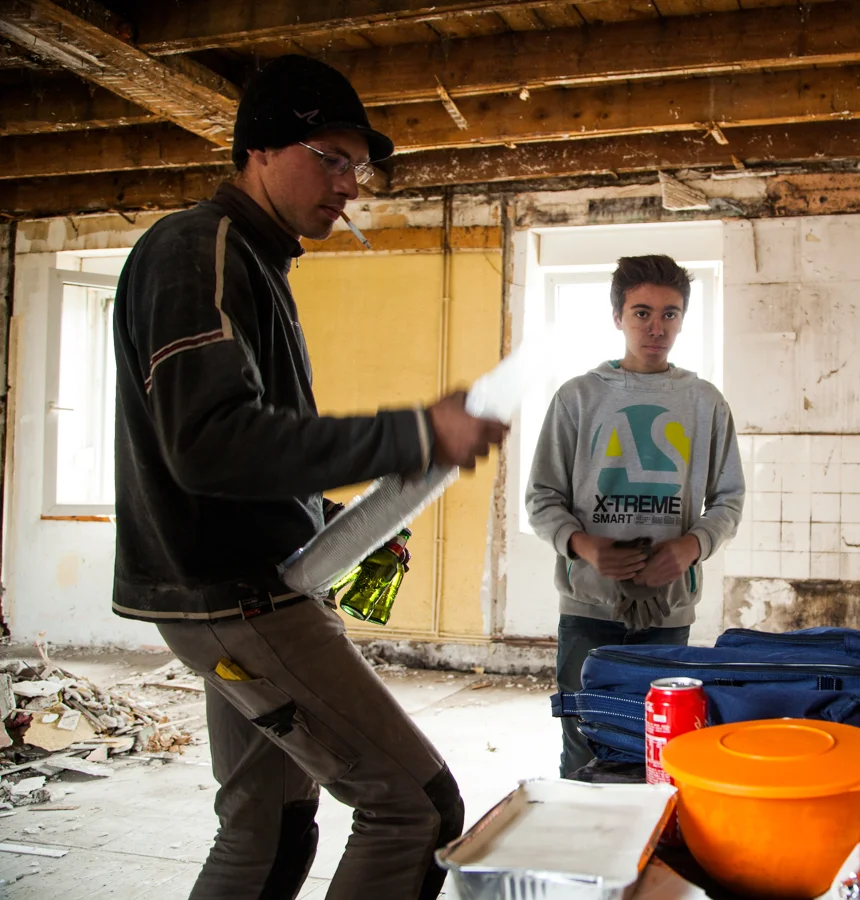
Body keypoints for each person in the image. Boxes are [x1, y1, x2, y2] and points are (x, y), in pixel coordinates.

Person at [111, 55, 505, 900]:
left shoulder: (255, 263)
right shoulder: (198, 249)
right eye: (329, 158)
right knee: (415, 809)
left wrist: (336, 516)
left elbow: (240, 450)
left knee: (269, 827)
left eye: (356, 167)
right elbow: (209, 443)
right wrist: (413, 434)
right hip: (241, 600)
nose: (349, 185)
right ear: (259, 148)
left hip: (243, 586)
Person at [527, 255, 745, 777]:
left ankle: (643, 849)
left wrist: (688, 548)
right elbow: (541, 498)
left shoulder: (703, 402)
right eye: (641, 312)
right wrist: (585, 546)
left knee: (660, 746)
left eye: (670, 314)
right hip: (587, 607)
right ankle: (586, 848)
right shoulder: (578, 397)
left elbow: (728, 501)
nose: (656, 327)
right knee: (585, 742)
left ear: (683, 319)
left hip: (666, 610)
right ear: (617, 317)